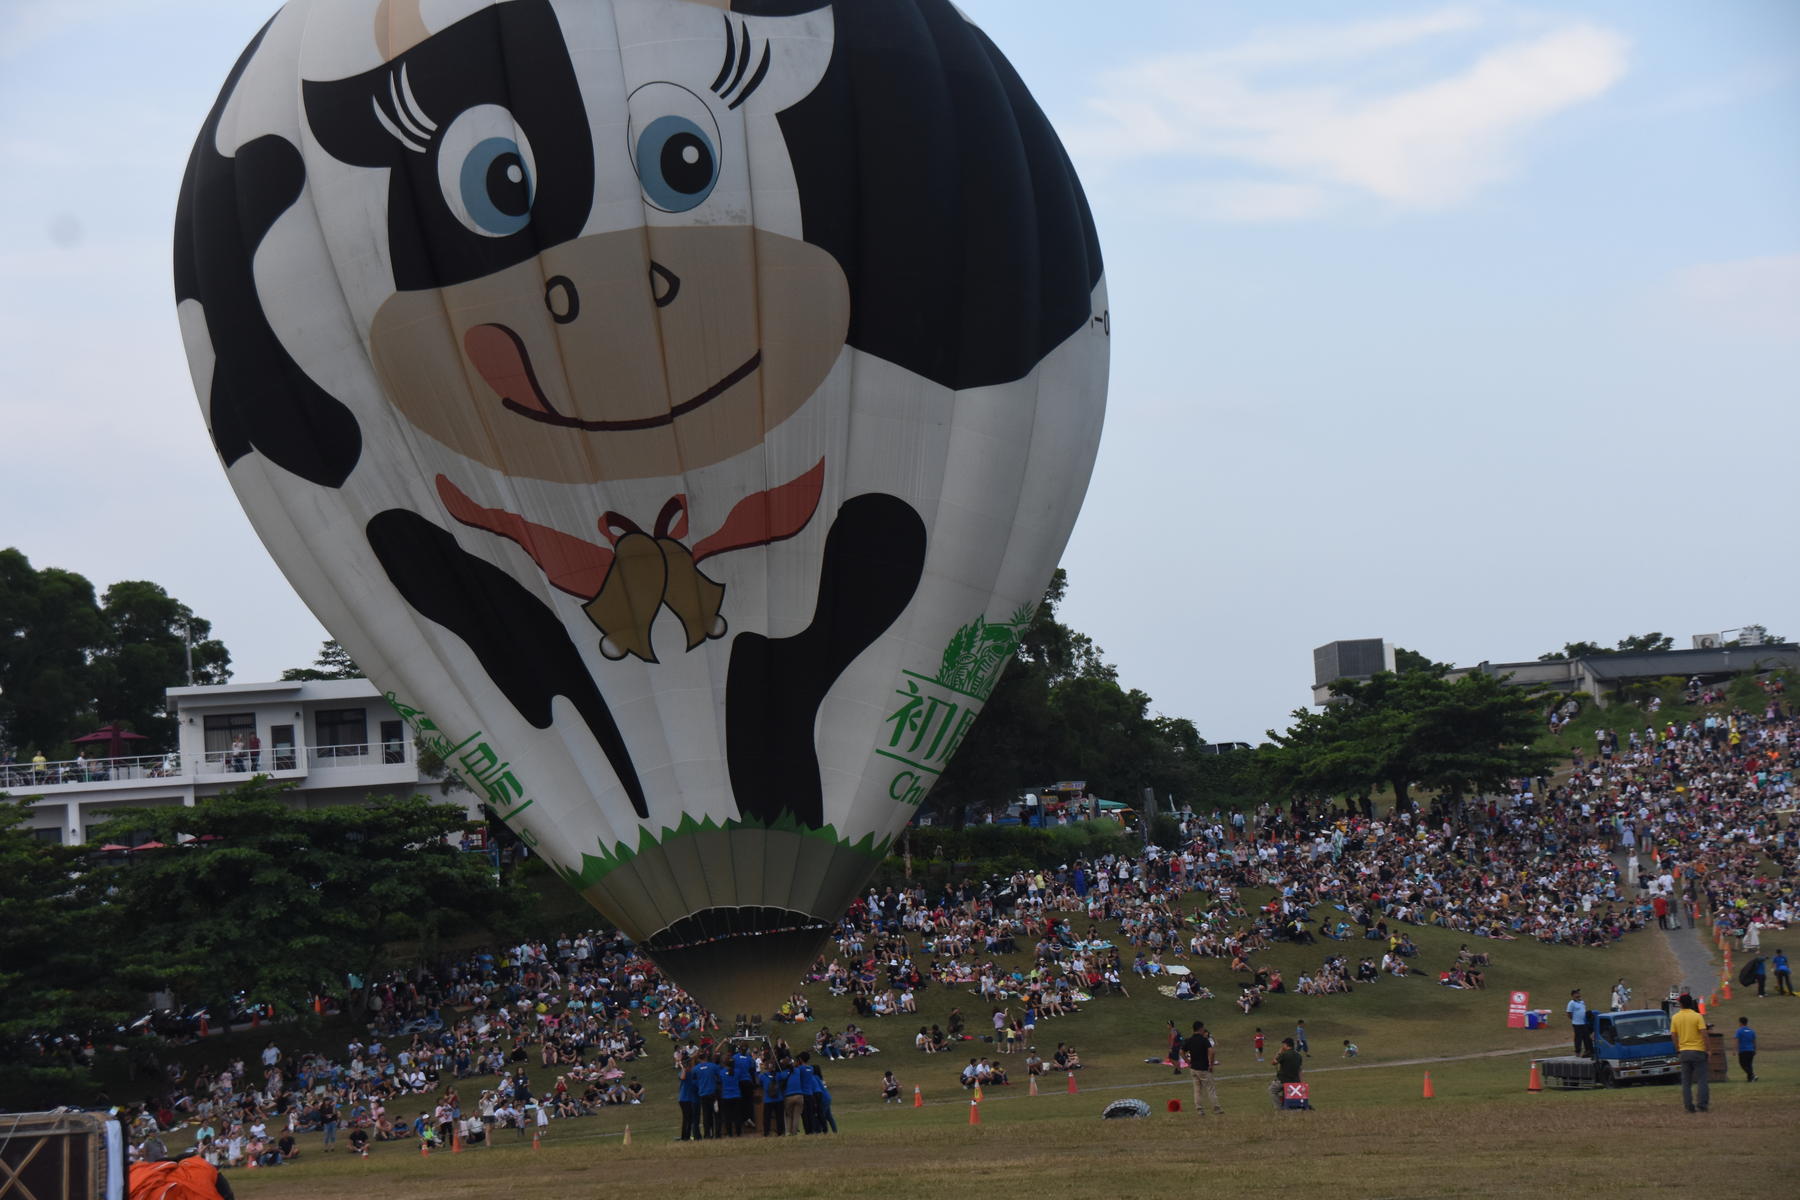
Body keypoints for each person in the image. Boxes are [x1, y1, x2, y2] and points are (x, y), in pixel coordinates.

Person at [1670, 994, 1709, 1113]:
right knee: (1702, 1079)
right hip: (1698, 1051)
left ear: (1681, 1004)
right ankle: (1702, 1104)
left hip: (1684, 1052)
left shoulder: (1675, 1018)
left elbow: (1673, 1036)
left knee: (1686, 1082)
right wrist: (1708, 1049)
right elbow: (1704, 1034)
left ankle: (1688, 1106)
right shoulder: (1697, 1016)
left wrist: (1677, 1049)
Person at [1180, 1021, 1221, 1115]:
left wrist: (1187, 1062)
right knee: (1210, 1088)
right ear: (1200, 1028)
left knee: (1197, 1090)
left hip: (1193, 1068)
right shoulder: (1204, 1040)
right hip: (1203, 1068)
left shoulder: (1189, 1040)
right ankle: (1216, 1108)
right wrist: (1211, 1065)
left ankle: (1199, 1109)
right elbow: (1212, 1052)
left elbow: (1181, 1052)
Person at [1270, 1037, 1306, 1110]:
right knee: (1285, 1093)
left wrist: (1279, 1052)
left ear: (1286, 1045)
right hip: (1295, 1081)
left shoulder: (1284, 1054)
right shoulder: (1298, 1055)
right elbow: (1299, 1070)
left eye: (1283, 1044)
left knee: (1272, 1090)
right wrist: (1301, 1082)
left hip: (1283, 1080)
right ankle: (1286, 1105)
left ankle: (1279, 1108)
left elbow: (1273, 1062)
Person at [1566, 989, 1592, 1057]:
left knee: (1586, 1037)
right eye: (1576, 993)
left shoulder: (1582, 1002)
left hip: (1584, 1023)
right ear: (1573, 995)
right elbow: (1569, 1013)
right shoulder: (1571, 1003)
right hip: (1577, 1024)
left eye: (1578, 993)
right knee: (1578, 1038)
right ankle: (1578, 1052)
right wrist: (1574, 1019)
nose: (1578, 994)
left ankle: (1588, 1051)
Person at [1734, 1017, 1756, 1083]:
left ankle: (1752, 1075)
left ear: (1740, 1023)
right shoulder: (1751, 1031)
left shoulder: (1739, 1031)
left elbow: (1737, 1041)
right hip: (1751, 1050)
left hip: (1743, 1050)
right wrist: (1755, 1049)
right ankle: (1750, 1079)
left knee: (1743, 1064)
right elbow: (1754, 1041)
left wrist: (1734, 1050)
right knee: (1749, 1064)